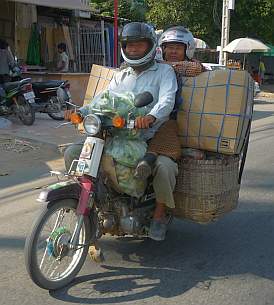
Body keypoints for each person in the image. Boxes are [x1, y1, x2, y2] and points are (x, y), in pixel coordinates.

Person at [64, 22, 178, 241]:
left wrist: (151, 117)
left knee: (164, 168)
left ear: (150, 46)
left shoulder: (164, 71)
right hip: (116, 134)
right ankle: (96, 206)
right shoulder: (121, 75)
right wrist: (80, 111)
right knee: (73, 153)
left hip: (149, 136)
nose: (133, 49)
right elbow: (102, 99)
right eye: (129, 45)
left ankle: (158, 215)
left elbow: (167, 98)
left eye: (139, 45)